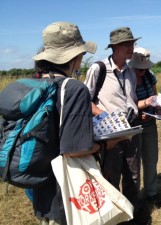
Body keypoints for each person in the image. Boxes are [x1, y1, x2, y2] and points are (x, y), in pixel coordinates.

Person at [32, 21, 100, 225]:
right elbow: (75, 149)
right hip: (66, 194)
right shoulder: (74, 89)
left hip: (41, 189)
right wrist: (105, 144)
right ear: (74, 56)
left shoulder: (36, 83)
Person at [84, 27, 150, 224]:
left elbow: (131, 99)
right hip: (110, 134)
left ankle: (132, 214)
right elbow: (86, 101)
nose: (132, 48)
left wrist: (138, 110)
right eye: (128, 44)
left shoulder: (131, 71)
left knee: (133, 175)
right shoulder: (99, 69)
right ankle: (114, 217)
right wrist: (104, 115)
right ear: (116, 47)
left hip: (131, 131)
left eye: (132, 43)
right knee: (110, 176)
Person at [128, 47, 161, 204]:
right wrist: (138, 111)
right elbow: (124, 103)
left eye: (145, 68)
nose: (143, 71)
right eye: (140, 69)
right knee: (133, 165)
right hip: (132, 126)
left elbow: (154, 97)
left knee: (151, 159)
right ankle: (134, 197)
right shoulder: (126, 77)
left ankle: (152, 193)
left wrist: (159, 109)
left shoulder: (150, 76)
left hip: (149, 124)